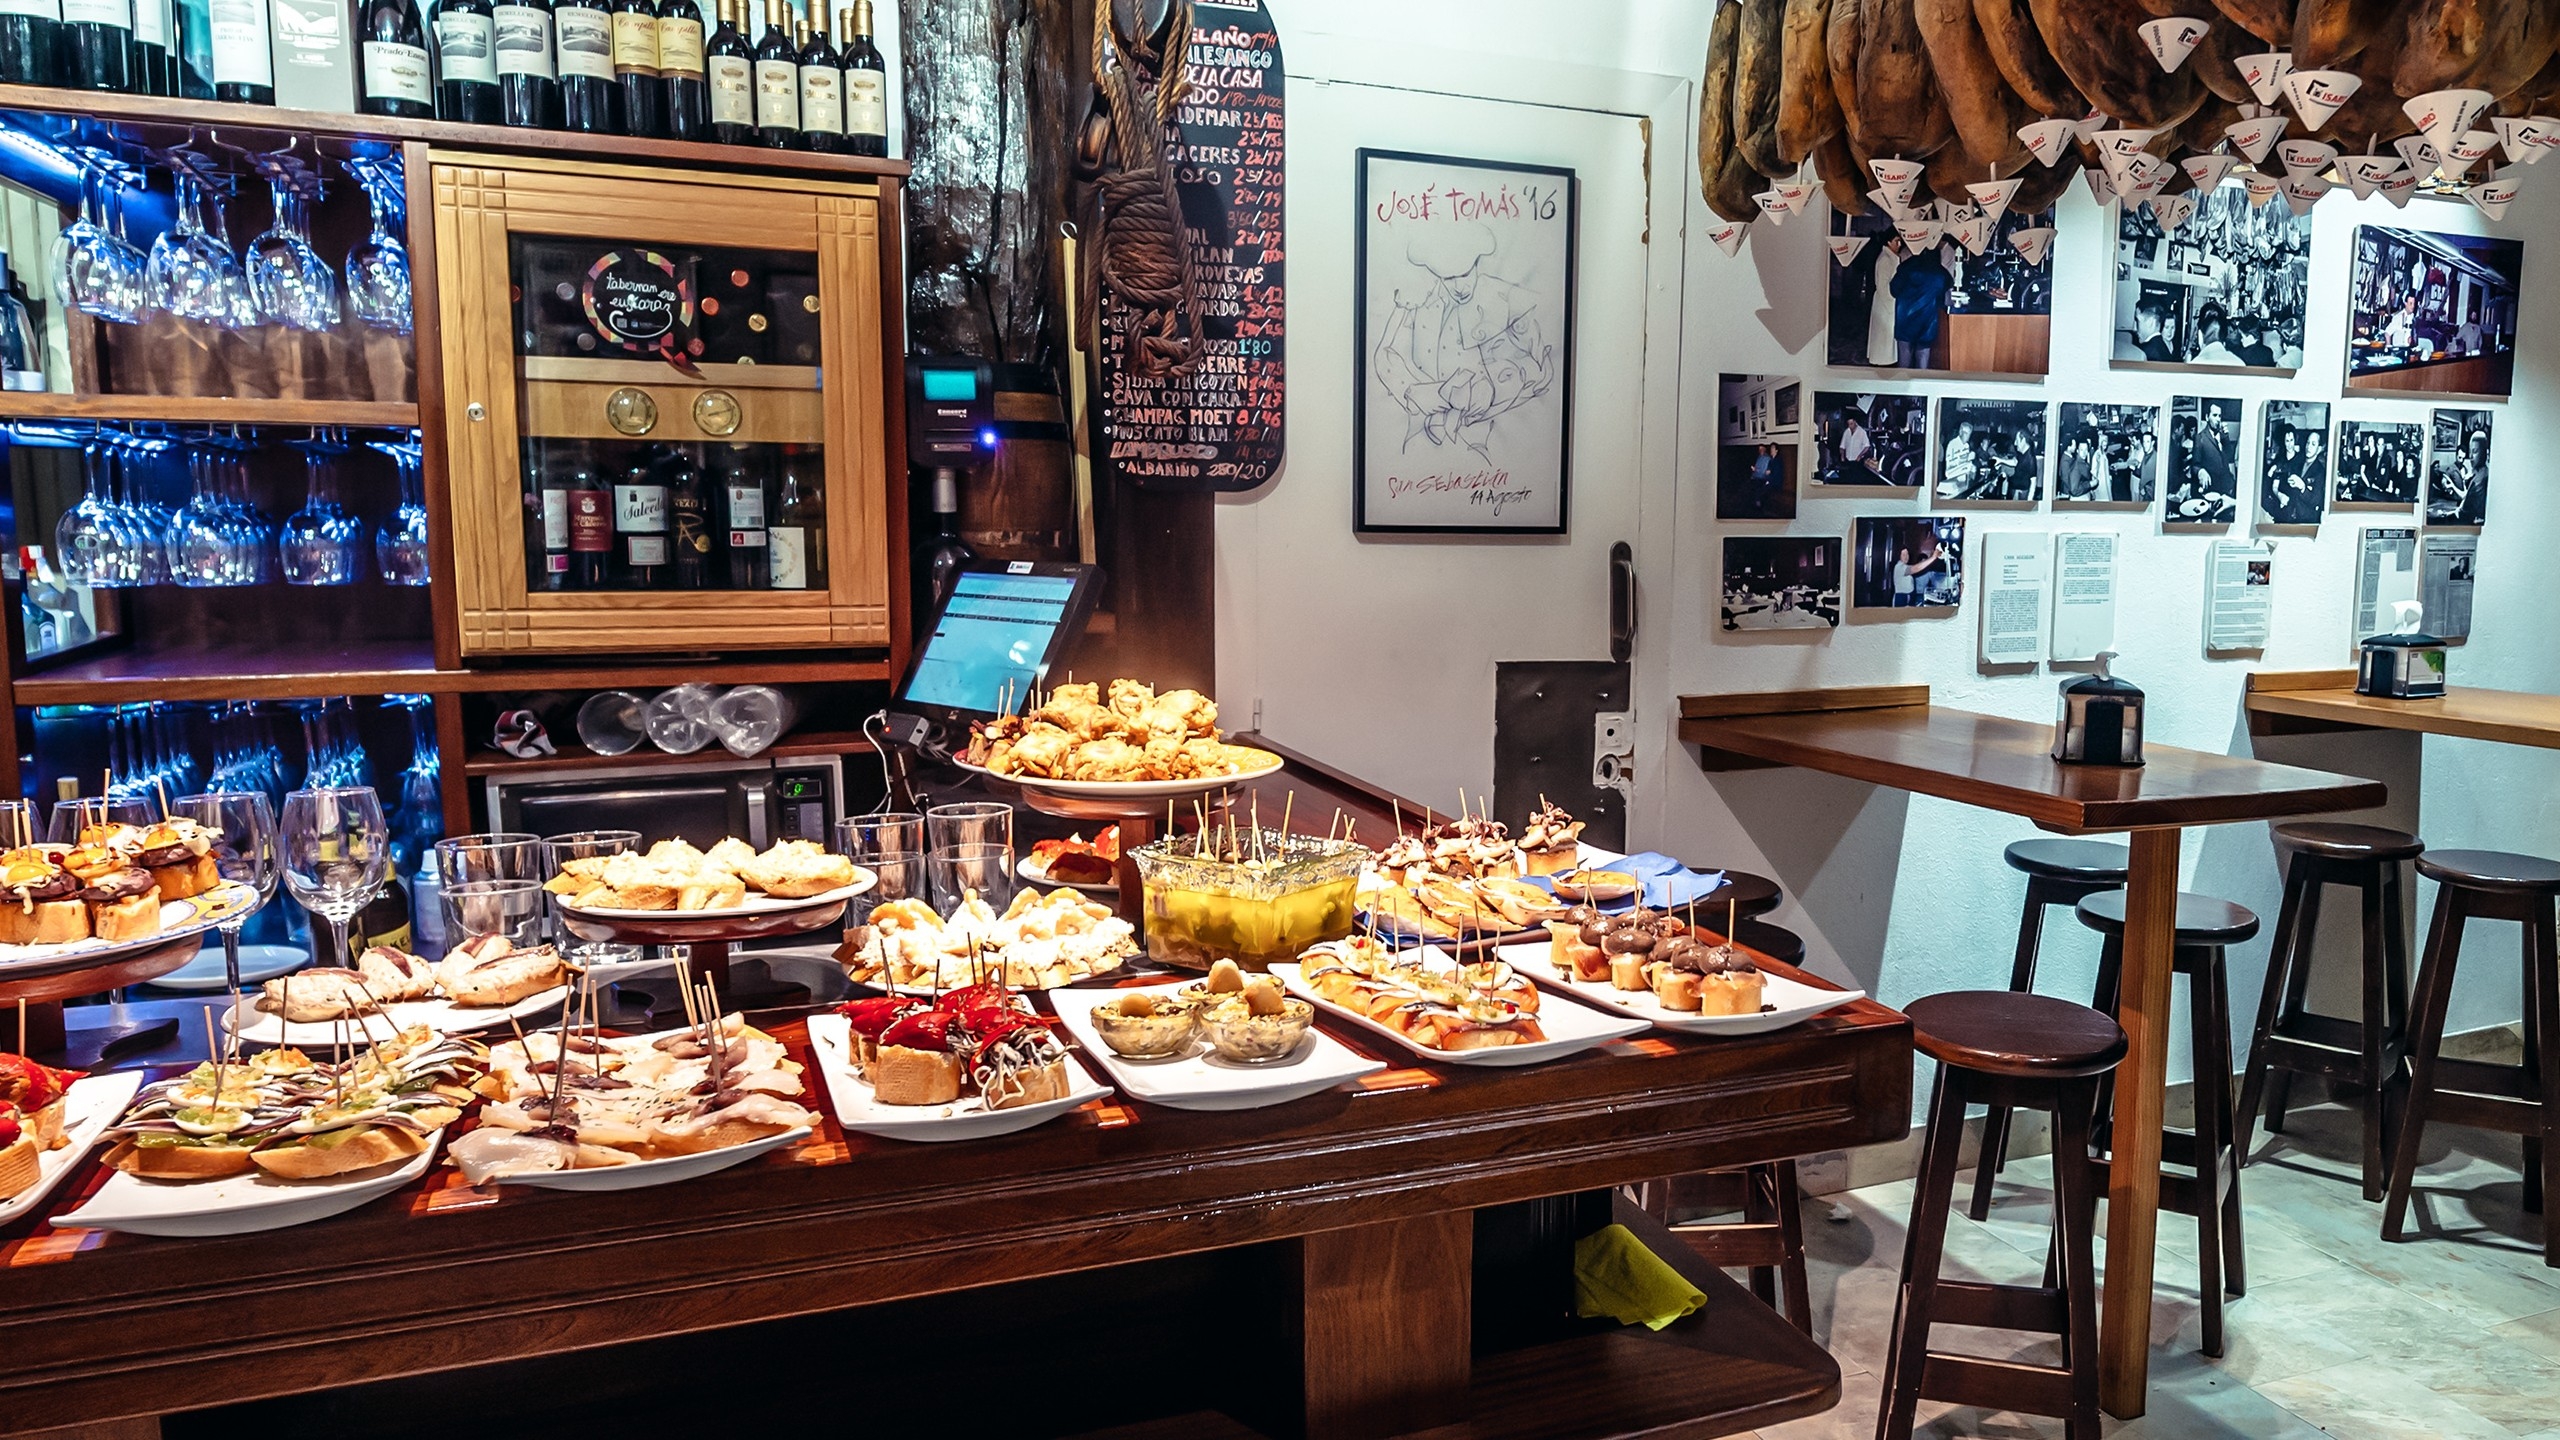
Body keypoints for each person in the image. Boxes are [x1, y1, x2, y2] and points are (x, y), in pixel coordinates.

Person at [1890, 243, 1953, 369]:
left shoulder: (1906, 267)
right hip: (1928, 320)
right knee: (1923, 357)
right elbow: (1946, 291)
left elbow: (1894, 290)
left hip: (1905, 318)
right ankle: (1920, 380)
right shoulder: (1940, 272)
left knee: (1904, 355)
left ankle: (1902, 379)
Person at [2130, 293, 2179, 362]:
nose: (2134, 328)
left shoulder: (2143, 353)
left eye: (2138, 321)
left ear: (2150, 322)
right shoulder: (2163, 348)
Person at [1939, 419, 1977, 498]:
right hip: (1953, 480)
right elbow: (1951, 466)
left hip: (1964, 480)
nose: (1968, 437)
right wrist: (1966, 458)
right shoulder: (1952, 444)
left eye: (1969, 434)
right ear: (1960, 432)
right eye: (1966, 433)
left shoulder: (1967, 445)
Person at [1836, 410, 1874, 483]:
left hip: (1857, 462)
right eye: (1848, 424)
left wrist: (1860, 456)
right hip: (1847, 461)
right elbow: (1842, 446)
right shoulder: (1846, 432)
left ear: (1855, 422)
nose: (1850, 426)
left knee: (1855, 481)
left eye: (1851, 424)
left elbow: (1867, 446)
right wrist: (1842, 456)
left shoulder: (1862, 432)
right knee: (1847, 481)